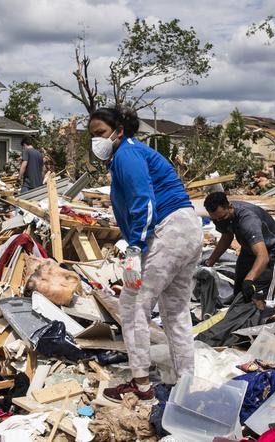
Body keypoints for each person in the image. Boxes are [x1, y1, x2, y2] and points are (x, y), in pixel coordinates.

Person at [89, 106, 202, 401]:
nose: (95, 141)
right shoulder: (130, 153)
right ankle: (185, 384)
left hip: (169, 229)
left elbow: (144, 201)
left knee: (132, 302)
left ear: (119, 130)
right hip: (187, 228)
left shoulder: (127, 154)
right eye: (91, 135)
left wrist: (135, 247)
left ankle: (140, 384)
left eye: (100, 133)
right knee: (175, 311)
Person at [204, 192, 275, 310]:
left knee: (260, 295)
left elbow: (263, 256)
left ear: (230, 207)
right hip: (248, 247)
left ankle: (262, 316)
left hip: (269, 248)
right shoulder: (220, 217)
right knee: (240, 288)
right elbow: (227, 237)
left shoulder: (248, 220)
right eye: (215, 219)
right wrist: (210, 261)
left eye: (222, 218)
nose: (219, 221)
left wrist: (250, 278)